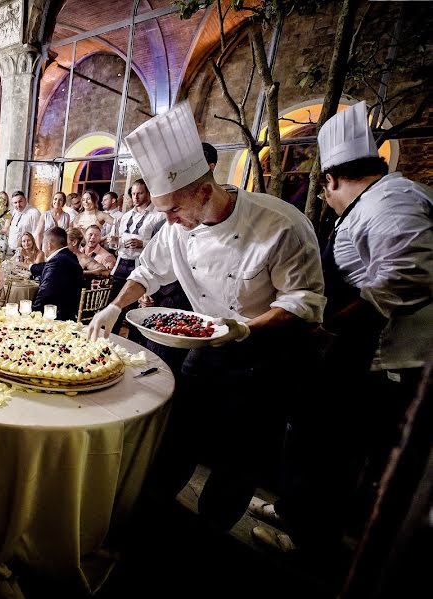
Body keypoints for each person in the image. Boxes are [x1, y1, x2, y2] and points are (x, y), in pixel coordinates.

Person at [88, 102, 325, 532]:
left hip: (266, 360)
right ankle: (146, 526)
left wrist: (244, 328)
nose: (167, 220)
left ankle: (211, 539)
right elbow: (147, 272)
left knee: (238, 462)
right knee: (174, 443)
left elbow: (305, 302)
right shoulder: (176, 228)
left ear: (203, 191)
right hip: (208, 349)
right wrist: (115, 306)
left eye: (173, 209)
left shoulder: (280, 225)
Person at [250, 101, 433, 554]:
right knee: (313, 439)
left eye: (325, 189)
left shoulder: (393, 200)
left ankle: (309, 541)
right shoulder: (385, 197)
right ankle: (297, 513)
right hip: (362, 356)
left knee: (329, 452)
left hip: (379, 362)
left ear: (330, 179)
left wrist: (329, 329)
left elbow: (409, 275)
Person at [31, 227, 83, 321]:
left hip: (57, 316)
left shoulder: (57, 261)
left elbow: (46, 291)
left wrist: (33, 313)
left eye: (43, 244)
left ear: (49, 245)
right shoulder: (70, 256)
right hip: (70, 311)